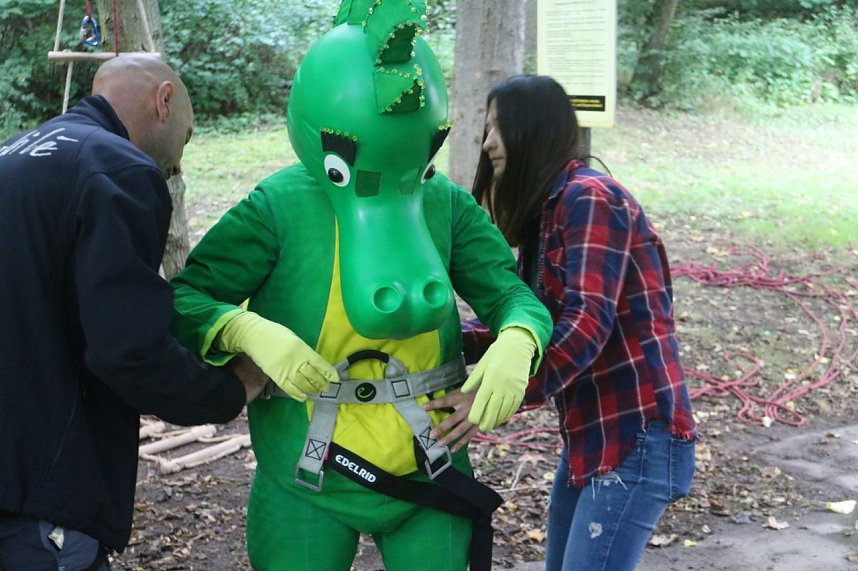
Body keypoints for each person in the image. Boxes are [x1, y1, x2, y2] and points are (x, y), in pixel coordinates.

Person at [168, 4, 553, 570]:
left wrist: (519, 341)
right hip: (304, 476)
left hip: (430, 470)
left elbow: (511, 294)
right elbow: (185, 299)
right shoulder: (278, 206)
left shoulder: (445, 202)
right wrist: (244, 330)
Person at [0, 54, 268, 570]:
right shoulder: (117, 167)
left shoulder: (13, 155)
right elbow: (127, 349)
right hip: (42, 488)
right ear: (163, 100)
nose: (179, 164)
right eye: (186, 139)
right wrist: (230, 389)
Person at [460, 74, 698, 571]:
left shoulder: (589, 198)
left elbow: (589, 320)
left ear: (532, 130)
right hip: (590, 435)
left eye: (496, 128)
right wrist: (454, 343)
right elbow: (546, 323)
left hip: (635, 435)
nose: (488, 145)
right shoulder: (549, 212)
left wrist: (493, 396)